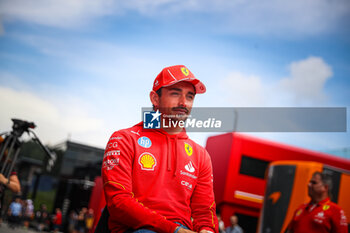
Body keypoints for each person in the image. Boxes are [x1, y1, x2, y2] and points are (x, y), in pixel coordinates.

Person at [102, 65, 218, 233]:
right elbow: (119, 203)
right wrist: (174, 230)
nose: (183, 103)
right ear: (155, 99)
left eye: (190, 96)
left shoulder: (201, 155)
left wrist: (206, 230)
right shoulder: (125, 139)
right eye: (175, 93)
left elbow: (204, 213)